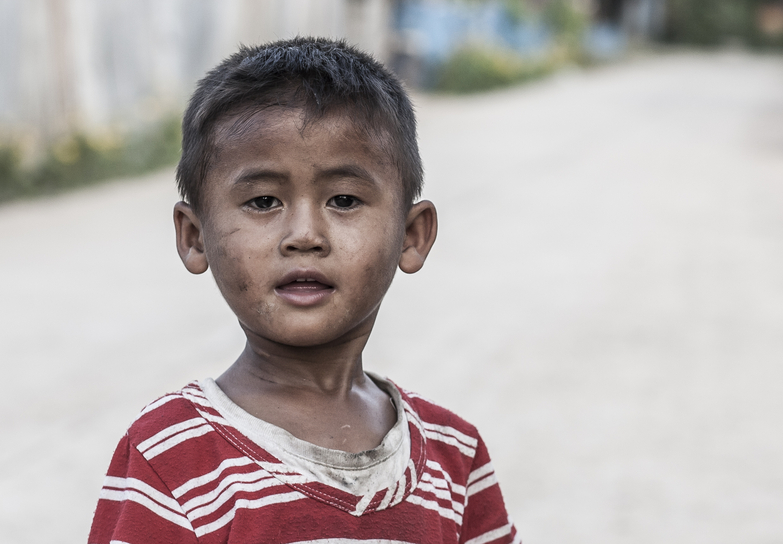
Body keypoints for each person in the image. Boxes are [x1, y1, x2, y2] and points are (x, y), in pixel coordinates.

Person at [88, 37, 519, 544]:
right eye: (264, 201)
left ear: (411, 236)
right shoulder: (171, 458)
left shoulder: (455, 455)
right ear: (194, 237)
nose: (305, 235)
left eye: (343, 199)